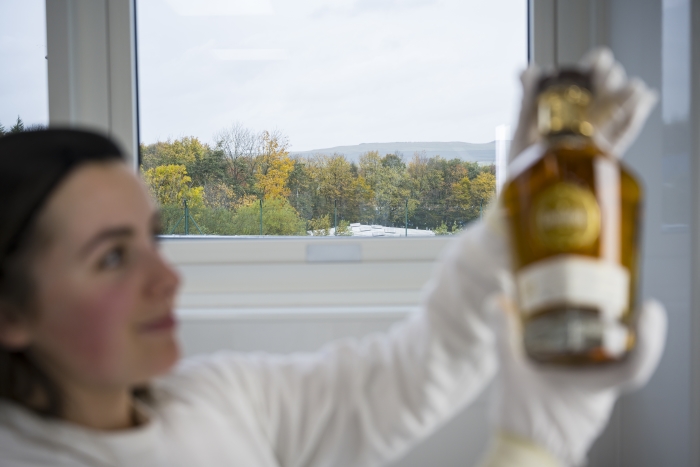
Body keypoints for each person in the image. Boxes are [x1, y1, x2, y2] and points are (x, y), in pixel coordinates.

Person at [0, 49, 665, 467]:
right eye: (113, 257)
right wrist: (531, 450)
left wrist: (515, 217)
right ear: (10, 312)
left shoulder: (215, 400)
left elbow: (406, 375)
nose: (168, 278)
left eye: (156, 238)